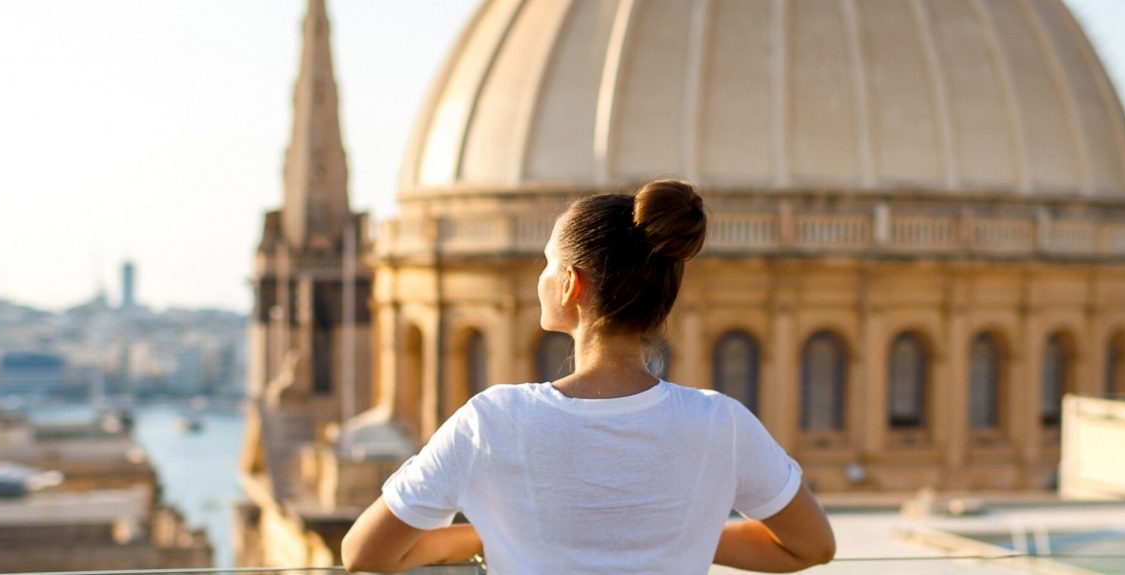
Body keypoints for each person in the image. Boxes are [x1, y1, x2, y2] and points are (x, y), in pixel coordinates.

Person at [342, 179, 835, 574]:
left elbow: (364, 554)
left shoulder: (491, 421)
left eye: (546, 263)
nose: (540, 276)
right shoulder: (721, 424)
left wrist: (496, 535)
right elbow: (811, 547)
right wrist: (683, 537)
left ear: (571, 284)